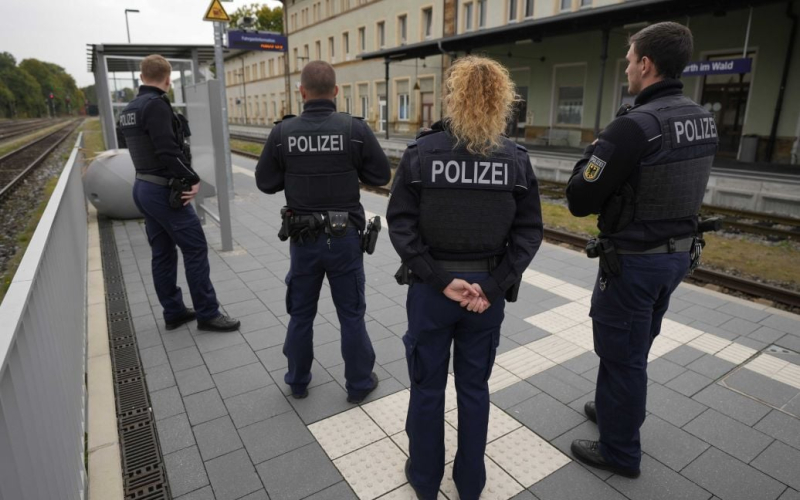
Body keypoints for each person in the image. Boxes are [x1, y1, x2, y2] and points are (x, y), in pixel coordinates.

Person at [566, 22, 718, 478]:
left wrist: (593, 150)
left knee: (623, 353)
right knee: (634, 343)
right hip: (676, 255)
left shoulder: (633, 127)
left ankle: (620, 451)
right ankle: (613, 408)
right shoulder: (702, 117)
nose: (627, 68)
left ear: (646, 64)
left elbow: (578, 199)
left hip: (633, 263)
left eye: (630, 60)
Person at [387, 56, 543, 500]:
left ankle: (424, 480)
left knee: (427, 388)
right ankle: (471, 484)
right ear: (502, 101)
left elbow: (401, 224)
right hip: (485, 299)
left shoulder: (421, 155)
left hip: (433, 293)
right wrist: (492, 288)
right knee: (474, 390)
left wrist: (438, 279)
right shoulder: (515, 161)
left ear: (454, 97)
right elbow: (529, 232)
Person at [255, 60, 391, 403]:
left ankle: (298, 381)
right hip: (345, 239)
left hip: (302, 240)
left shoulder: (283, 133)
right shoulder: (354, 130)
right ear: (336, 91)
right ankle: (359, 384)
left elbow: (265, 182)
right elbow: (381, 175)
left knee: (301, 314)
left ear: (301, 92)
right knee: (351, 314)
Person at [118, 54, 240, 333]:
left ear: (141, 77)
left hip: (143, 186)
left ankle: (173, 312)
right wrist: (192, 178)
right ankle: (208, 313)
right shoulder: (156, 105)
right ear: (168, 78)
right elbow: (166, 150)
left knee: (162, 252)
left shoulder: (129, 108)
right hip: (163, 190)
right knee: (195, 247)